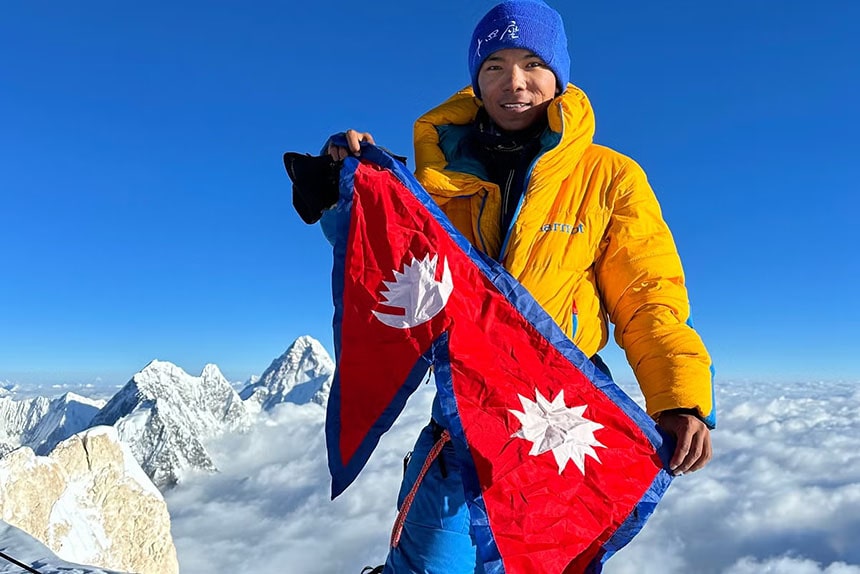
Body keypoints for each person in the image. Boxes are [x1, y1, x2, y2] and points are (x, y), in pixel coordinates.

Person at [328, 1, 715, 571]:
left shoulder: (609, 178)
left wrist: (680, 396)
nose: (514, 82)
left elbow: (647, 295)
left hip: (555, 424)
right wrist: (344, 186)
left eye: (533, 63)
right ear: (476, 80)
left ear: (559, 75)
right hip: (460, 421)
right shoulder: (432, 179)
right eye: (494, 66)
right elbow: (387, 265)